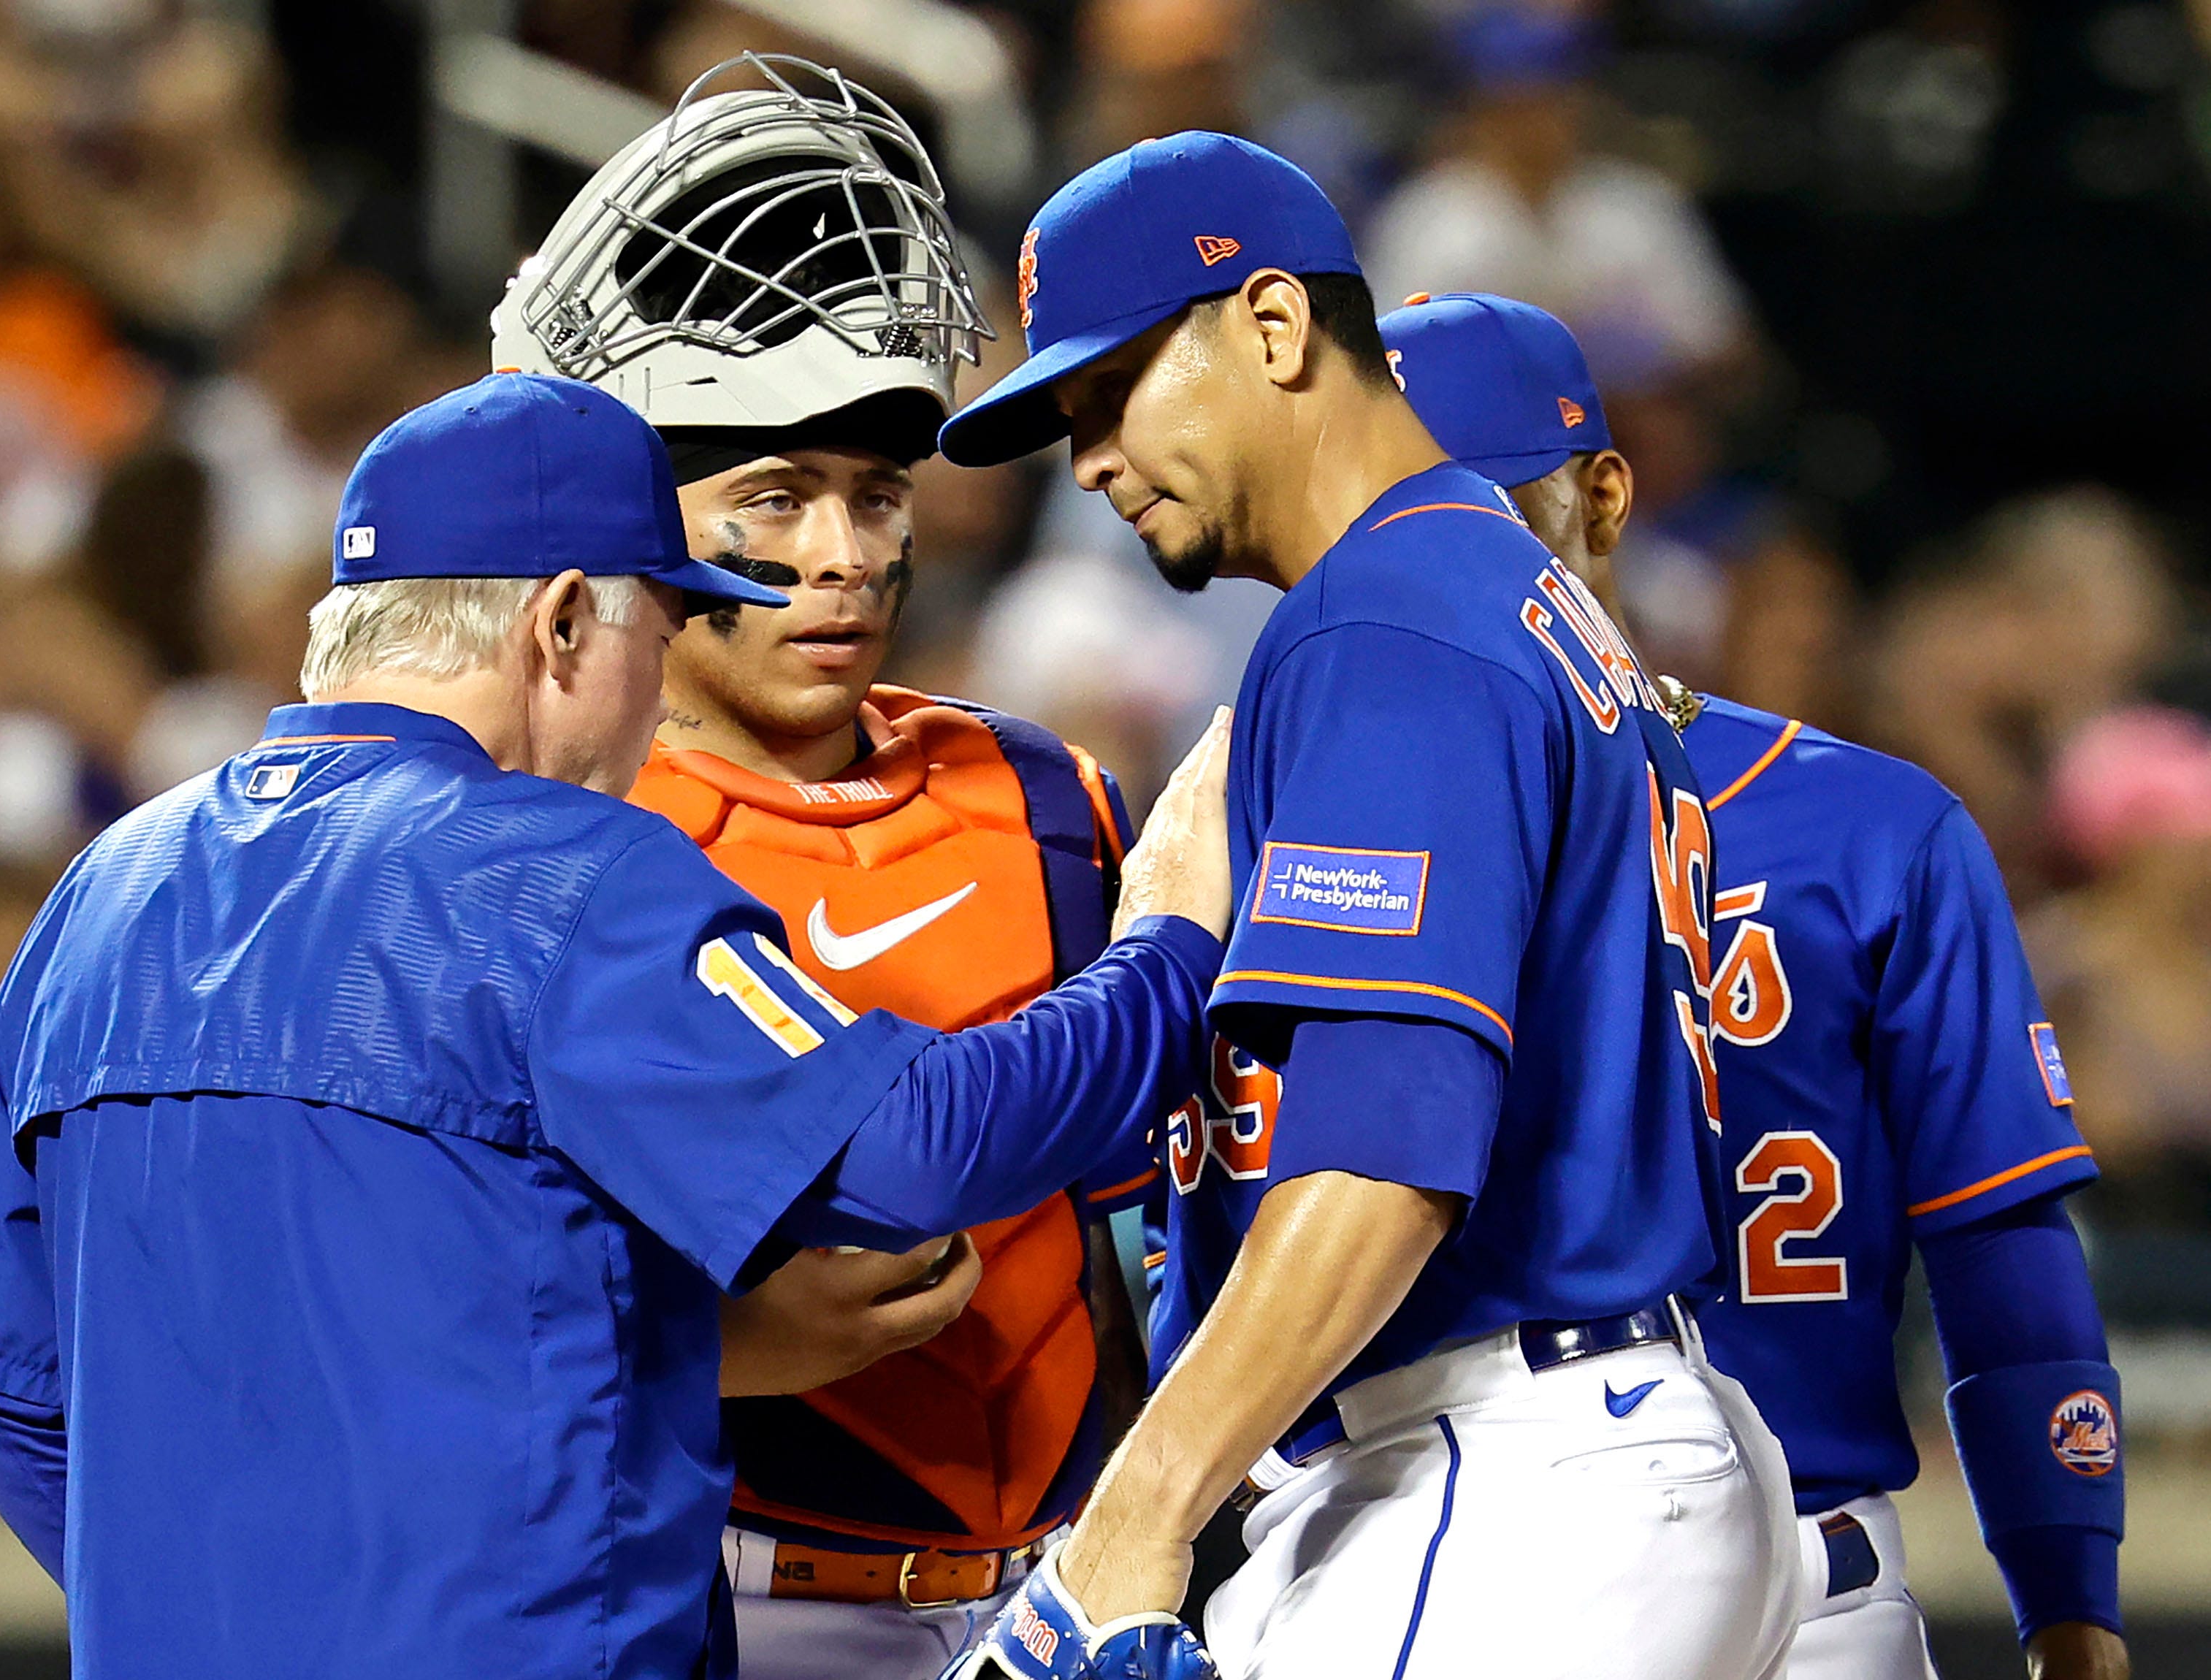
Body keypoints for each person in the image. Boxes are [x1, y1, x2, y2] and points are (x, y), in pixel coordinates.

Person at [0, 370, 1237, 1680]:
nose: (656, 695)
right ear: (559, 627)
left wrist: (218, 1609)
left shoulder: (110, 887)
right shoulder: (556, 868)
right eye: (657, 639)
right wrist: (1170, 941)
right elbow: (914, 1150)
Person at [931, 133, 1795, 1679]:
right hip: (1590, 1441)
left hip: (1496, 1468)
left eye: (1109, 392)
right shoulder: (1502, 591)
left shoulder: (1387, 619)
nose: (1090, 462)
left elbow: (1380, 1153)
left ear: (1269, 327)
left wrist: (1125, 1525)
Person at [492, 56, 1155, 1678]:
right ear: (649, 532)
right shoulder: (556, 845)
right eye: (774, 497)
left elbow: (1161, 1219)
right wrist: (695, 1348)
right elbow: (446, 1276)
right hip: (731, 1596)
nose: (840, 554)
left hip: (1078, 1581)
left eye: (875, 496)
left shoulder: (1048, 793)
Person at [1378, 291, 2129, 1680]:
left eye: (1478, 514)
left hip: (1810, 1573)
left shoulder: (1870, 830)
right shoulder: (1294, 827)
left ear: (1602, 502)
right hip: (1447, 1560)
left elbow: (1999, 1240)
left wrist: (2069, 1605)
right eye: (1384, 523)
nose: (1427, 570)